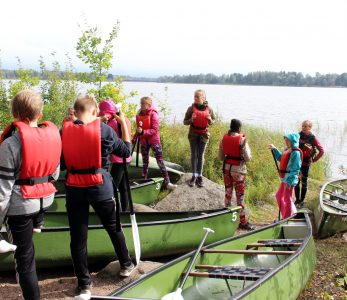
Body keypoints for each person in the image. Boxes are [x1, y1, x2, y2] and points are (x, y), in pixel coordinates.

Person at [61, 94, 135, 298]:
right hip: (100, 187)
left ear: (75, 112)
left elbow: (62, 164)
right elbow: (126, 151)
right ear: (95, 112)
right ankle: (126, 264)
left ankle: (84, 285)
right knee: (113, 227)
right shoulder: (104, 130)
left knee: (77, 238)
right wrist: (124, 125)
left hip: (74, 188)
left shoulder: (64, 132)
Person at [0, 89, 61, 300]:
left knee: (24, 261)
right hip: (43, 203)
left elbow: (3, 190)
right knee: (28, 254)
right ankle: (38, 223)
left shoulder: (10, 144)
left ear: (15, 114)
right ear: (40, 113)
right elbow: (54, 174)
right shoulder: (54, 137)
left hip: (21, 206)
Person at [135, 96, 177, 190]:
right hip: (143, 141)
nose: (141, 105)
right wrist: (134, 138)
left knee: (160, 162)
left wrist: (143, 132)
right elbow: (138, 129)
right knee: (145, 163)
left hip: (154, 141)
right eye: (140, 103)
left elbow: (154, 130)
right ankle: (143, 181)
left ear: (149, 105)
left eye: (143, 104)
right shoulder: (139, 114)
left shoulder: (154, 114)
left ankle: (168, 183)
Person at [218, 119, 253, 230]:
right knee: (240, 197)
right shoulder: (242, 140)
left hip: (226, 169)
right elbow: (248, 158)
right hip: (238, 171)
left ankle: (226, 219)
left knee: (228, 194)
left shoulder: (224, 138)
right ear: (239, 128)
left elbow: (221, 157)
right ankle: (242, 222)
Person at [99, 99, 132, 211]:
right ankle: (124, 210)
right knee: (124, 188)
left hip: (119, 160)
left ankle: (115, 212)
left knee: (112, 188)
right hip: (126, 158)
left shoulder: (111, 124)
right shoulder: (125, 119)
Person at [183, 89, 216, 187]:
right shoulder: (190, 108)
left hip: (204, 134)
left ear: (204, 97)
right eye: (195, 96)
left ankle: (200, 176)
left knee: (201, 155)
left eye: (198, 96)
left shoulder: (209, 109)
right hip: (193, 134)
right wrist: (191, 120)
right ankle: (194, 176)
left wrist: (210, 120)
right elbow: (185, 122)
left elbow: (213, 121)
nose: (196, 98)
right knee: (194, 155)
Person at [268, 133, 302, 219]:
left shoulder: (296, 153)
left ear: (293, 141)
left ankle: (287, 218)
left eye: (288, 140)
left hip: (290, 180)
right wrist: (275, 149)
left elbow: (296, 169)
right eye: (285, 140)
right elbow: (280, 158)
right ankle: (288, 215)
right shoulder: (288, 150)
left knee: (287, 199)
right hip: (285, 179)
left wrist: (290, 182)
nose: (286, 142)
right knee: (279, 196)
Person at [295, 120, 324, 208]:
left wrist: (314, 160)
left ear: (310, 127)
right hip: (297, 162)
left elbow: (322, 151)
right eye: (303, 126)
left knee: (304, 182)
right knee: (296, 182)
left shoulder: (312, 138)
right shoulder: (297, 135)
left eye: (306, 126)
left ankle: (302, 201)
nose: (303, 127)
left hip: (306, 163)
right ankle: (297, 200)